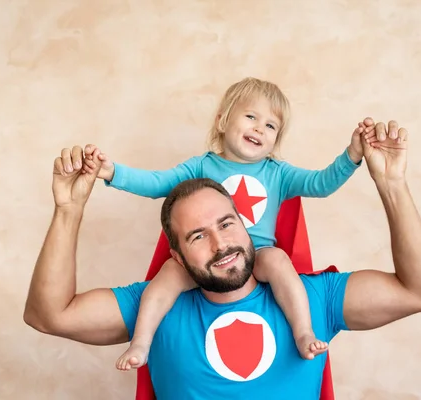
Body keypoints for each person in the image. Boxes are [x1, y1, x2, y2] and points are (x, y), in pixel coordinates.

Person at [23, 118, 421, 400]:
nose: (220, 243)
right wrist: (68, 210)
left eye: (227, 224)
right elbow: (50, 316)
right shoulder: (157, 305)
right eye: (197, 235)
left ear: (247, 226)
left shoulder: (308, 297)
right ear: (176, 256)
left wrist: (392, 185)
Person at [81, 77, 371, 369]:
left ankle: (304, 332)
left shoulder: (278, 173)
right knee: (166, 276)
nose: (260, 128)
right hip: (207, 260)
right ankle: (141, 343)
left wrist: (352, 156)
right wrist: (112, 173)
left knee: (279, 261)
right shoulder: (200, 166)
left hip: (255, 256)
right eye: (251, 116)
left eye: (271, 126)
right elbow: (157, 183)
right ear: (222, 121)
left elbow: (320, 184)